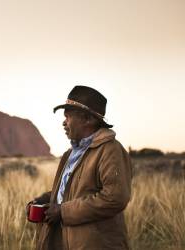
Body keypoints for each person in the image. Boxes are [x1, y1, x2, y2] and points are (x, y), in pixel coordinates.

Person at [31, 85, 132, 250]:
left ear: (88, 119)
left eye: (68, 116)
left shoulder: (110, 150)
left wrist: (63, 211)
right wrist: (48, 199)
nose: (64, 123)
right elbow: (75, 192)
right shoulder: (70, 154)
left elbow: (114, 198)